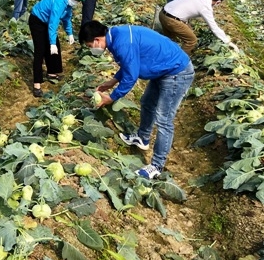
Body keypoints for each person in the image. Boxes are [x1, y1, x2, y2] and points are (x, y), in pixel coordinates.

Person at [79, 21, 195, 179]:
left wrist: (112, 97)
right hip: (163, 69)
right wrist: (112, 82)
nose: (91, 49)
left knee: (164, 119)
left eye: (89, 45)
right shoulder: (116, 36)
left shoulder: (121, 43)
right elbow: (129, 63)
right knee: (147, 103)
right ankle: (142, 138)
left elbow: (131, 76)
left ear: (97, 39)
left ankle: (157, 166)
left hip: (176, 72)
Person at [29, 0, 86, 97]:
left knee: (56, 47)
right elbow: (53, 24)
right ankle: (37, 84)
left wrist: (70, 33)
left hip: (48, 21)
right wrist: (52, 43)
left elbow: (67, 18)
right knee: (40, 50)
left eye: (78, 0)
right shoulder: (59, 2)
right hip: (37, 20)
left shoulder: (68, 3)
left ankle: (52, 73)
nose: (75, 1)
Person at [159, 0, 239, 55]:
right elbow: (214, 28)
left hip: (162, 13)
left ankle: (163, 54)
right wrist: (228, 42)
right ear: (218, 2)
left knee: (170, 39)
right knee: (191, 40)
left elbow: (185, 4)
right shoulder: (206, 7)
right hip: (172, 21)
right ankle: (178, 61)